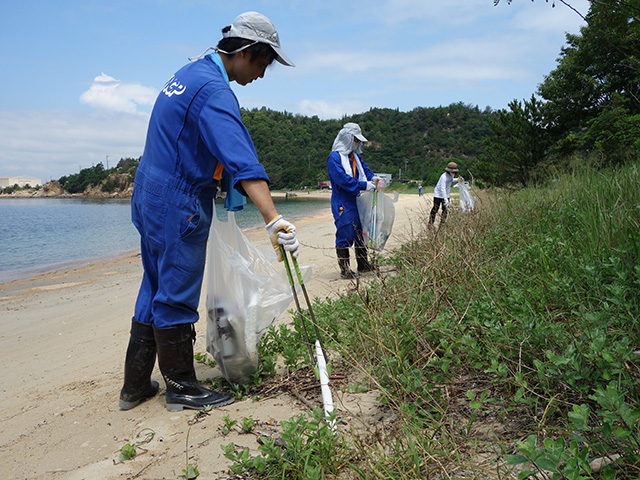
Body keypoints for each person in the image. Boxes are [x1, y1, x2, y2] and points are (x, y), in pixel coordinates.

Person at [119, 12, 300, 412]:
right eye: (264, 63)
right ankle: (182, 386)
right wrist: (274, 220)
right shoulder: (215, 92)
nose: (263, 74)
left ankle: (134, 386)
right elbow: (243, 160)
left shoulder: (188, 74)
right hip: (177, 198)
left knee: (154, 282)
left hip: (149, 189)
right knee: (177, 291)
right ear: (247, 52)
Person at [327, 123, 378, 279]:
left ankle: (363, 264)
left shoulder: (355, 157)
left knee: (360, 233)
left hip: (356, 200)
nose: (358, 144)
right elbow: (343, 180)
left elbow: (366, 172)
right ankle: (345, 269)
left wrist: (375, 179)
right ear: (348, 138)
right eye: (356, 140)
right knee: (345, 231)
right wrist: (364, 185)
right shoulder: (334, 158)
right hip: (342, 201)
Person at [428, 161, 463, 228]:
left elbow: (451, 180)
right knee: (435, 209)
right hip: (438, 195)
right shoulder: (443, 177)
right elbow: (442, 189)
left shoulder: (450, 176)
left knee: (445, 210)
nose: (454, 173)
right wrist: (445, 199)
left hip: (446, 194)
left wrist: (457, 180)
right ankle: (431, 223)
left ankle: (442, 223)